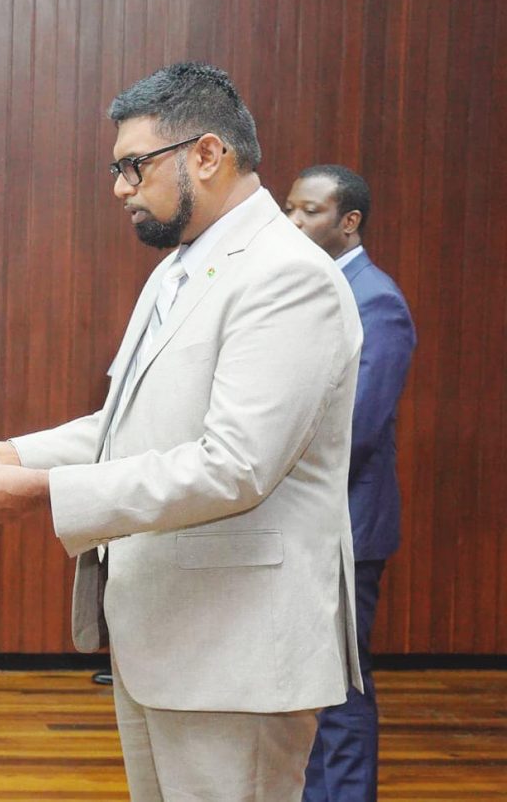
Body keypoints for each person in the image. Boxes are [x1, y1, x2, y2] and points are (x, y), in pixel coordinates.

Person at [0, 62, 364, 800]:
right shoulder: (178, 269)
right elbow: (128, 422)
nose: (120, 187)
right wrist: (14, 451)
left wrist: (44, 491)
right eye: (116, 168)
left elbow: (235, 466)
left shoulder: (288, 277)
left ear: (207, 154)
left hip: (238, 651)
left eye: (134, 166)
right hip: (165, 635)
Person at [285, 165, 416, 802]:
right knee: (311, 687)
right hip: (308, 524)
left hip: (348, 531)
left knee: (339, 691)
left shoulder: (376, 299)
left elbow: (356, 428)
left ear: (348, 222)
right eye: (288, 209)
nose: (293, 223)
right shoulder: (314, 291)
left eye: (308, 211)